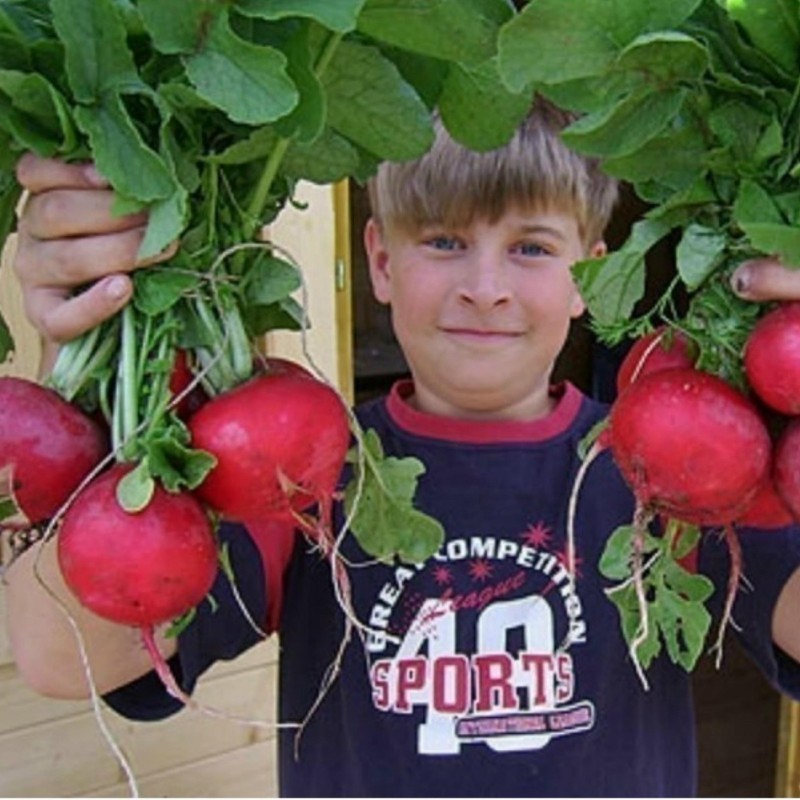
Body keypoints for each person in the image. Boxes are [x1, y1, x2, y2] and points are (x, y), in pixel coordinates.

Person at [7, 99, 800, 797]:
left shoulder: (664, 468)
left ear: (592, 278)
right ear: (380, 260)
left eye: (530, 248)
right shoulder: (301, 472)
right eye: (446, 242)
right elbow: (68, 660)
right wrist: (89, 331)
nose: (484, 286)